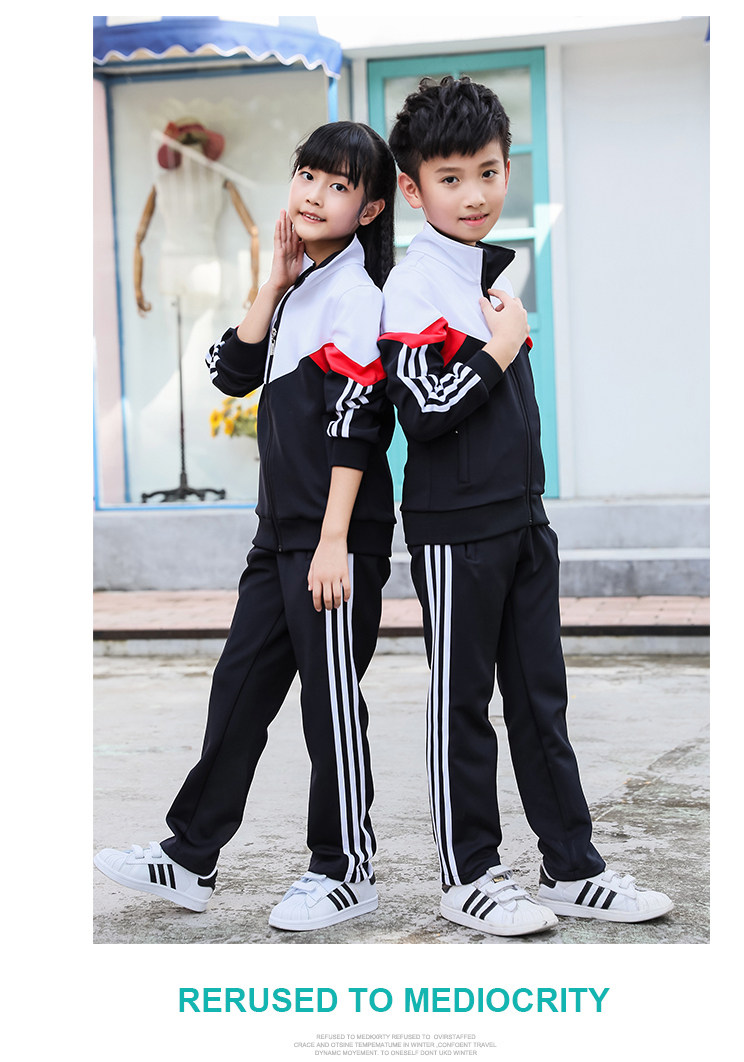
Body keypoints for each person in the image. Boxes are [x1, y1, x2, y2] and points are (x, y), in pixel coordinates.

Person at [378, 76, 673, 937]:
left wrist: (500, 339)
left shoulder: (486, 280)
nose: (474, 193)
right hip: (455, 531)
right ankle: (469, 874)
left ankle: (571, 868)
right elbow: (423, 411)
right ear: (413, 189)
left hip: (521, 521)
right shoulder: (415, 284)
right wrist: (501, 347)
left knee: (542, 701)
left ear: (508, 168)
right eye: (450, 178)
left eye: (488, 171)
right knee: (462, 705)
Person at [94, 121, 397, 932]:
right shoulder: (300, 288)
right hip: (280, 535)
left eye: (339, 186)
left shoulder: (358, 296)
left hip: (333, 541)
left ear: (370, 209)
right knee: (238, 690)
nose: (314, 194)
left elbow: (359, 426)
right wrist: (271, 283)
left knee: (329, 708)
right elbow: (231, 374)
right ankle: (189, 856)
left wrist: (334, 541)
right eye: (307, 176)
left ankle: (345, 869)